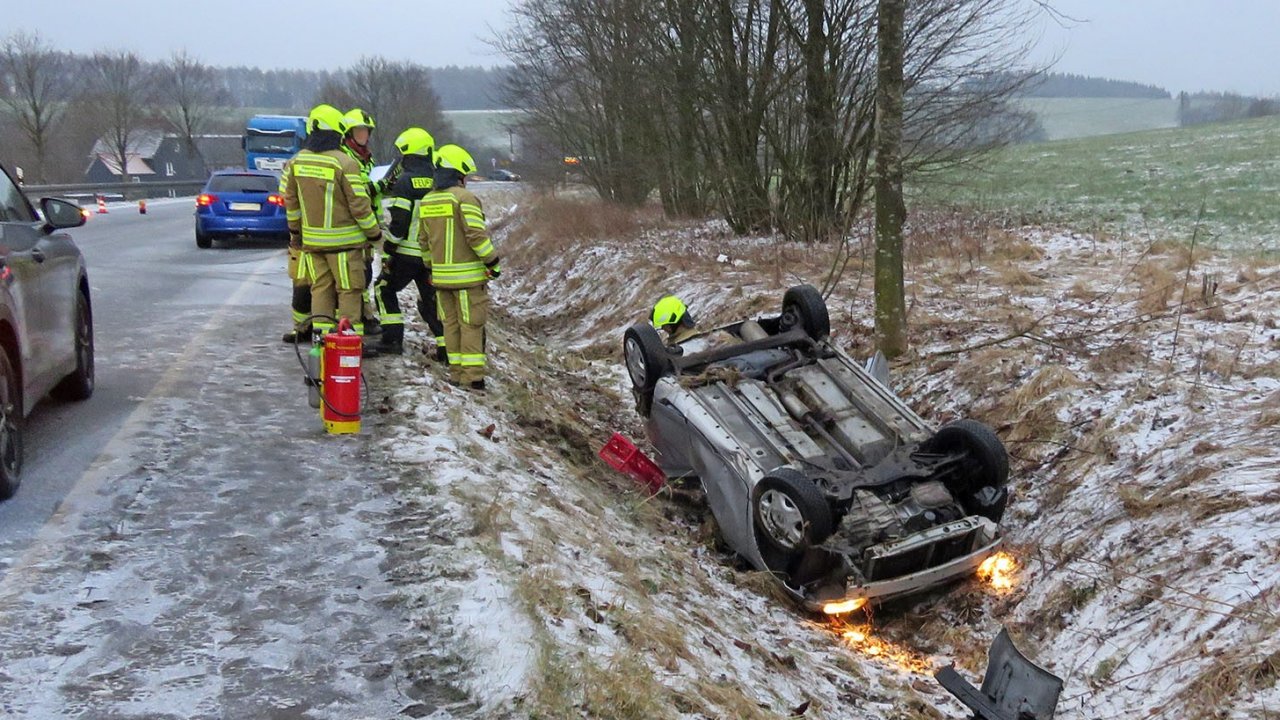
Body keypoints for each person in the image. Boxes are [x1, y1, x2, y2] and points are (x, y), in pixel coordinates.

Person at [281, 104, 382, 351]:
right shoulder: (345, 163)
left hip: (313, 244)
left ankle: (321, 347)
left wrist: (296, 233)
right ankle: (348, 349)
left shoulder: (296, 162)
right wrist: (375, 235)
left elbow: (291, 203)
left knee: (320, 291)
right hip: (345, 246)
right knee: (349, 291)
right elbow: (360, 207)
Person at [419, 144, 500, 391]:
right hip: (468, 279)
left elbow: (423, 241)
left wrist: (431, 268)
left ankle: (455, 374)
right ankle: (473, 378)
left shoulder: (427, 200)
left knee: (450, 326)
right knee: (471, 325)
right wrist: (492, 262)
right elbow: (476, 236)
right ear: (459, 174)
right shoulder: (465, 199)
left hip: (441, 279)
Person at [374, 127, 446, 357]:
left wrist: (389, 247)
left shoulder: (405, 182)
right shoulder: (438, 180)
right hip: (431, 255)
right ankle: (445, 348)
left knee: (383, 288)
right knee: (431, 300)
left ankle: (392, 339)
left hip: (407, 253)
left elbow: (400, 222)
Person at [340, 108, 388, 336]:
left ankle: (365, 314)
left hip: (369, 222)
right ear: (349, 133)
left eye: (366, 131)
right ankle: (357, 319)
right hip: (354, 225)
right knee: (357, 275)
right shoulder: (346, 157)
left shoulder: (367, 157)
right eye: (360, 130)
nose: (364, 135)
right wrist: (378, 186)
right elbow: (358, 190)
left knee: (365, 272)